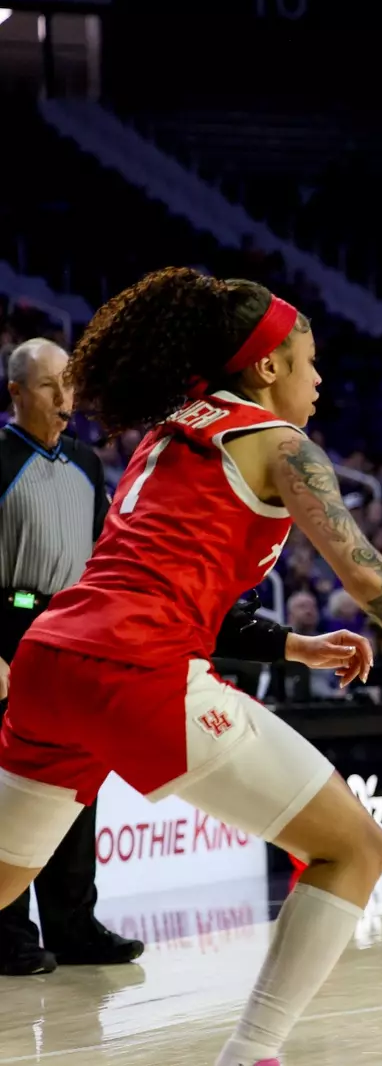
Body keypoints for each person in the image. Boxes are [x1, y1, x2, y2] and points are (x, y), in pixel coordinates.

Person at [0, 269, 382, 1066]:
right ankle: (253, 1054)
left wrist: (294, 645)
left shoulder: (169, 432)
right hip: (137, 667)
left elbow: (162, 576)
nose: (319, 379)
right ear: (267, 367)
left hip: (52, 657)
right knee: (356, 848)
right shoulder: (282, 444)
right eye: (309, 361)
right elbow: (368, 574)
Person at [0, 339, 143, 975]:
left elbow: (106, 559)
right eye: (48, 385)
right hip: (9, 628)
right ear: (15, 393)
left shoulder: (87, 462)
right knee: (8, 789)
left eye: (69, 384)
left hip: (71, 630)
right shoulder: (2, 459)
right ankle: (7, 934)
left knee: (74, 784)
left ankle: (73, 925)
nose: (64, 398)